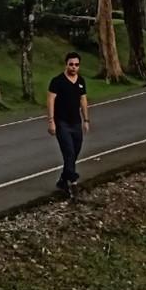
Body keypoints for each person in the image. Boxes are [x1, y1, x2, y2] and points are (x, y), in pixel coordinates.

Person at [47, 51, 90, 196]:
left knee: (75, 152)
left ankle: (62, 180)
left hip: (76, 123)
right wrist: (51, 121)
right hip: (62, 123)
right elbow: (51, 100)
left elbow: (83, 100)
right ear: (66, 64)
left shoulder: (81, 81)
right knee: (69, 152)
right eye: (71, 64)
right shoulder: (57, 81)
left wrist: (86, 120)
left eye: (76, 65)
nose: (73, 67)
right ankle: (73, 182)